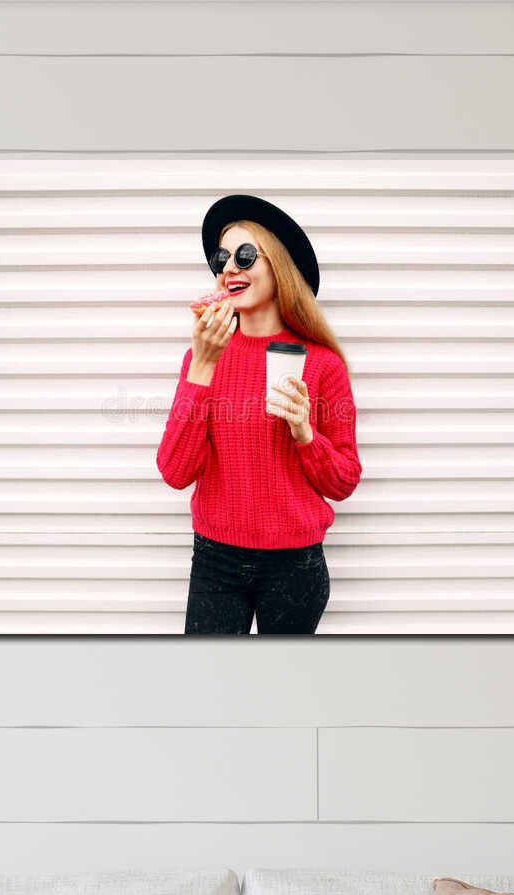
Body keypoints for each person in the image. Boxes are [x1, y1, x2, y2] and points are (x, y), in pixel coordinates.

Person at [156, 195, 361, 635]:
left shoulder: (322, 364)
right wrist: (203, 367)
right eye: (221, 257)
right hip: (216, 560)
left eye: (246, 255)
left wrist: (306, 434)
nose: (229, 267)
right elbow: (175, 471)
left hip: (295, 566)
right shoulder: (202, 357)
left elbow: (343, 481)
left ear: (279, 268)